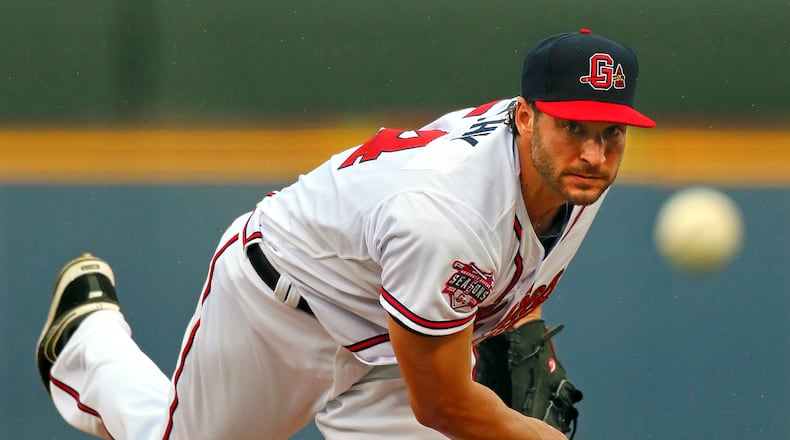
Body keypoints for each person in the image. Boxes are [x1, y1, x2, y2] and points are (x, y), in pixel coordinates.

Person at [36, 28, 655, 440]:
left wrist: (519, 327)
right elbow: (439, 401)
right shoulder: (447, 215)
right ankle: (86, 343)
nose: (595, 153)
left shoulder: (567, 171)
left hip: (398, 336)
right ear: (524, 116)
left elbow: (512, 256)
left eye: (612, 133)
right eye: (575, 127)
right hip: (282, 305)